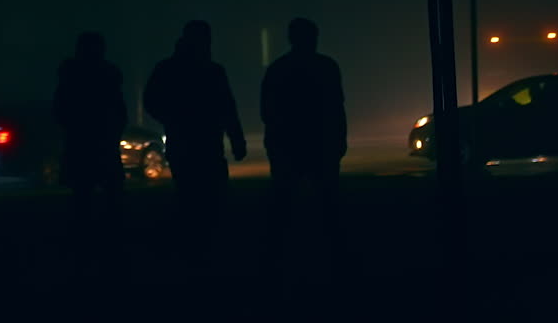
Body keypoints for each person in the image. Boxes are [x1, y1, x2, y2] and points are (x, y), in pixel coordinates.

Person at [143, 21, 246, 264]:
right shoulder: (212, 71)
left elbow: (151, 101)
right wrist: (236, 138)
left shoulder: (168, 69)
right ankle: (207, 248)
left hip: (184, 143)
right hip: (207, 143)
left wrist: (170, 117)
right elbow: (227, 108)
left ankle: (191, 249)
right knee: (211, 196)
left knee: (188, 196)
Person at [261, 17, 346, 258]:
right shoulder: (327, 67)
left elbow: (267, 110)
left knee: (283, 203)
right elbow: (336, 108)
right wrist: (339, 139)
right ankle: (334, 252)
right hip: (321, 144)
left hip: (288, 145)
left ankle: (277, 254)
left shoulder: (279, 69)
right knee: (328, 203)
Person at [53, 31, 127, 247]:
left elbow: (60, 110)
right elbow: (118, 109)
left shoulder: (72, 75)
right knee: (105, 193)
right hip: (98, 141)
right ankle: (107, 238)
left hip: (83, 142)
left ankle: (85, 239)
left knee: (83, 195)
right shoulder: (107, 74)